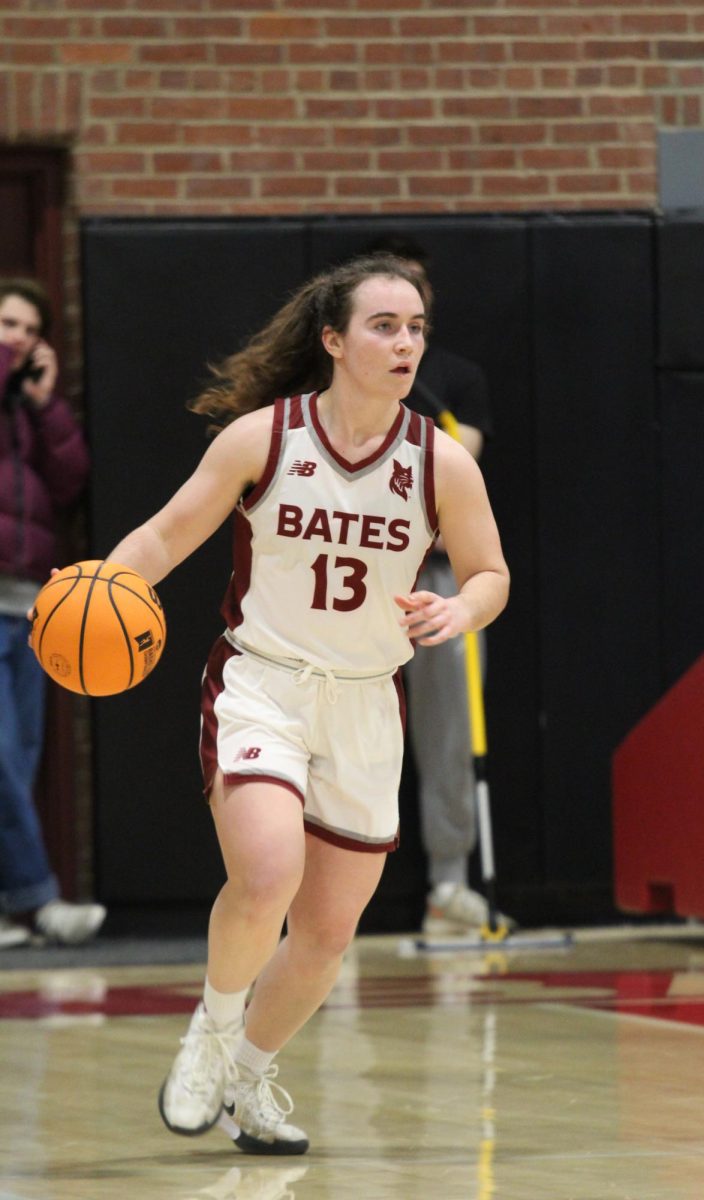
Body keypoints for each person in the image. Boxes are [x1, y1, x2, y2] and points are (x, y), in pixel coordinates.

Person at [106, 254, 509, 1155]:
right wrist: (99, 585)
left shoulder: (440, 461)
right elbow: (169, 533)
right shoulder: (263, 437)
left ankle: (249, 1080)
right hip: (264, 682)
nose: (405, 343)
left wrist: (462, 606)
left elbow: (491, 574)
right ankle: (209, 1036)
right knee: (265, 872)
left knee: (326, 935)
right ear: (333, 340)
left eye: (416, 329)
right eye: (383, 326)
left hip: (367, 703)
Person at [365, 233, 516, 936]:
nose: (403, 307)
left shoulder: (456, 378)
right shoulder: (334, 391)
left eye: (414, 295)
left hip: (435, 580)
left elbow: (455, 472)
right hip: (358, 581)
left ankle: (449, 886)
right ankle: (327, 890)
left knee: (450, 730)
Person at [0, 278, 106, 947]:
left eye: (29, 329)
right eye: (6, 323)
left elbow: (69, 480)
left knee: (24, 755)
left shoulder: (29, 406)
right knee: (1, 755)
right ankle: (38, 899)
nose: (18, 337)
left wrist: (45, 407)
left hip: (26, 601)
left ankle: (12, 906)